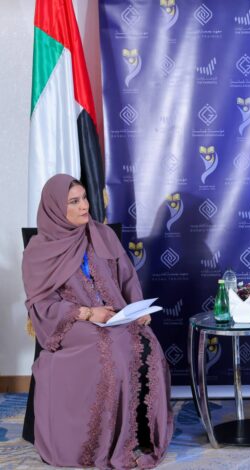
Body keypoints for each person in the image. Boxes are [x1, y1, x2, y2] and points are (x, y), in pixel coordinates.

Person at [22, 174, 173, 468]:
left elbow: (127, 277)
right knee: (110, 347)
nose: (84, 206)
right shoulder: (38, 251)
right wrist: (88, 313)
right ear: (55, 208)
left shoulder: (102, 234)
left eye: (84, 198)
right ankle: (104, 444)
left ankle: (139, 436)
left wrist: (136, 308)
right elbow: (41, 304)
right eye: (73, 201)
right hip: (71, 322)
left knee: (147, 343)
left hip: (115, 315)